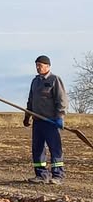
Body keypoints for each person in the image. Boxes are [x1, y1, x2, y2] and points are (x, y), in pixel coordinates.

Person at [23, 55, 68, 185]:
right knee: (38, 149)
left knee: (55, 149)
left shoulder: (55, 80)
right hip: (38, 121)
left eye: (40, 65)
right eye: (37, 65)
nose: (38, 68)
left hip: (51, 121)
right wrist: (27, 116)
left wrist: (60, 117)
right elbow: (31, 101)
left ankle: (58, 175)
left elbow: (62, 100)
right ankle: (41, 175)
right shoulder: (35, 81)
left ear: (48, 66)